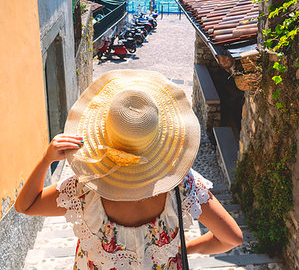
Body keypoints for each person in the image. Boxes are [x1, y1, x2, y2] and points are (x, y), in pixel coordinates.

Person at [15, 69, 243, 269]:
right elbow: (232, 238)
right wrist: (184, 250)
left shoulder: (86, 188)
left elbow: (27, 205)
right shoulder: (182, 186)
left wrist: (47, 159)